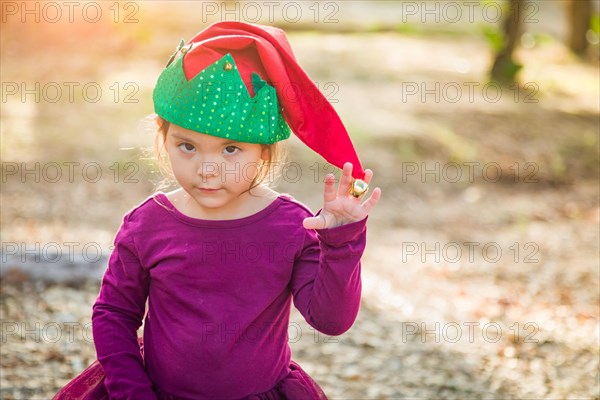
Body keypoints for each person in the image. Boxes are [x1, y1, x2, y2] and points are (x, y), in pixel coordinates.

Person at [53, 21, 381, 400]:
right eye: (187, 146)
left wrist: (342, 242)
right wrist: (132, 391)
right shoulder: (148, 224)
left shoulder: (292, 226)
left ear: (264, 150)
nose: (207, 169)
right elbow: (114, 315)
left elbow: (332, 320)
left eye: (230, 149)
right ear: (163, 140)